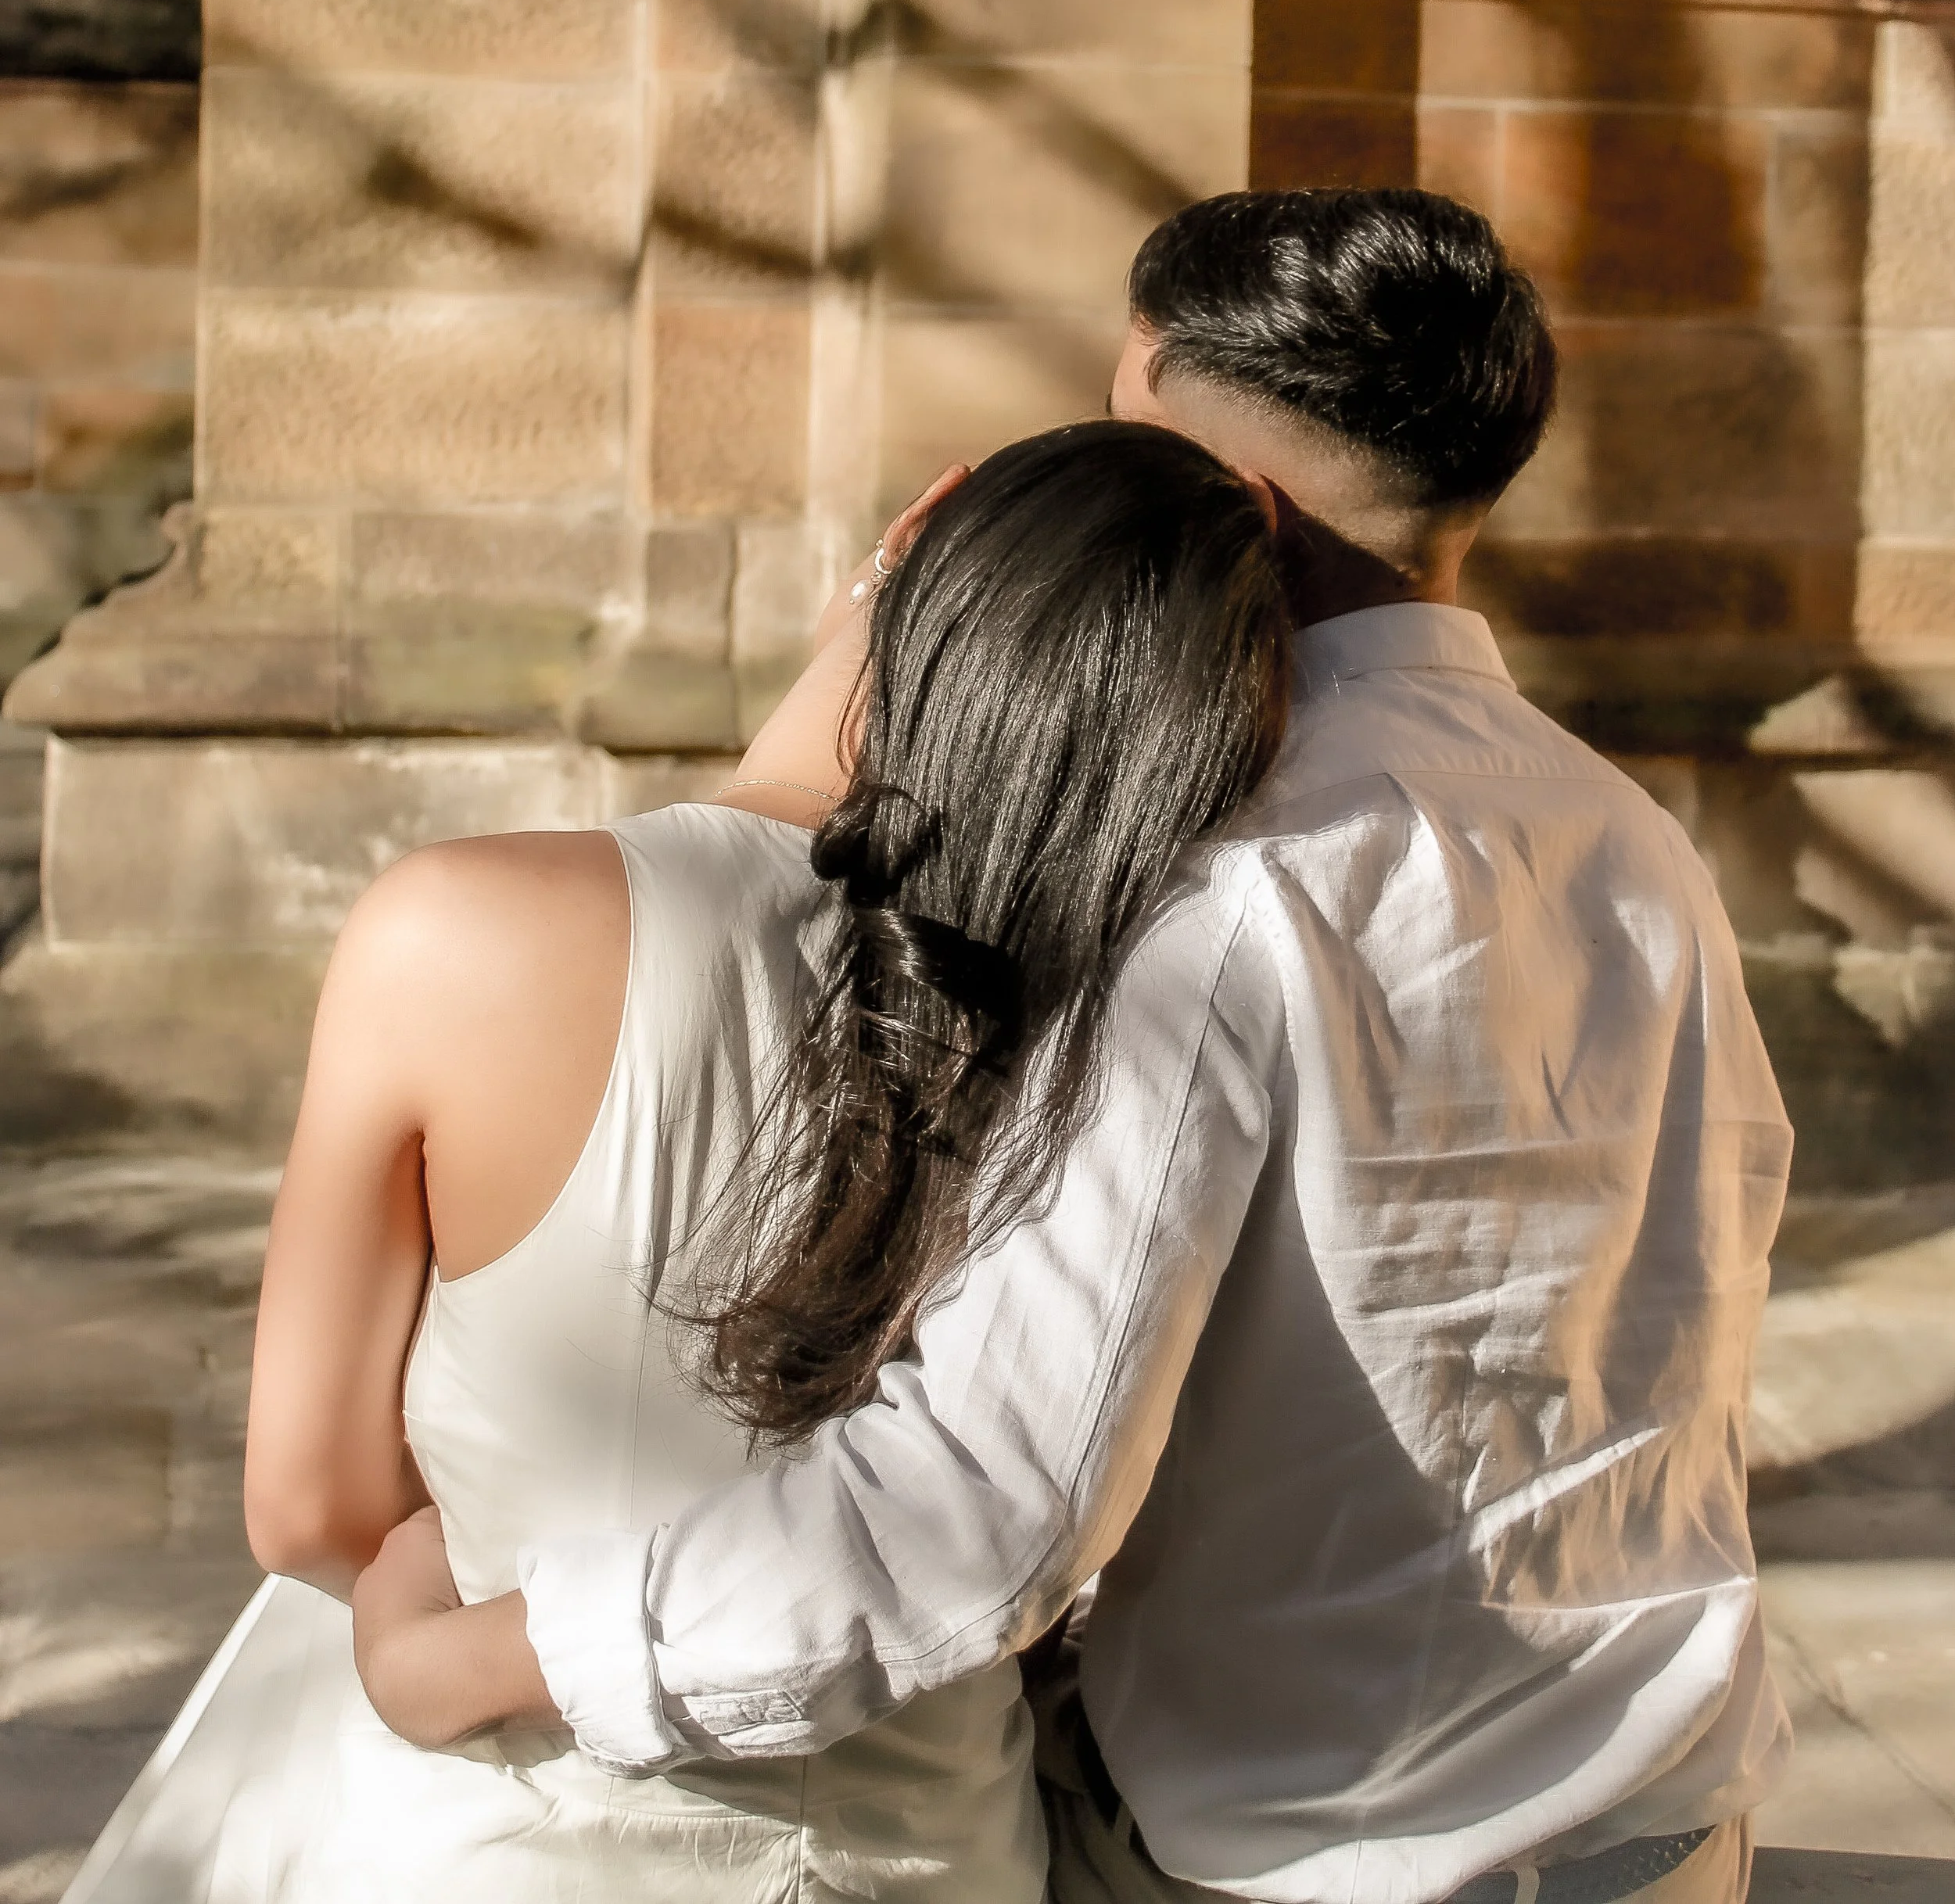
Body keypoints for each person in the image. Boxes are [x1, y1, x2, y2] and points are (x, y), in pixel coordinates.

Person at [355, 188, 1794, 1904]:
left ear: (1224, 500)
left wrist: (487, 1658)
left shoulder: (1210, 891)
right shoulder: (1629, 839)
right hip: (1663, 1820)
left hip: (1325, 1853)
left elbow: (967, 1515)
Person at [61, 419, 1289, 1904]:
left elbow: (309, 1505)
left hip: (504, 1844)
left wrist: (455, 1614)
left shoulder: (459, 925)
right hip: (941, 1857)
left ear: (919, 520)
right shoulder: (1132, 1039)